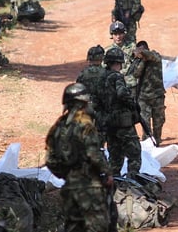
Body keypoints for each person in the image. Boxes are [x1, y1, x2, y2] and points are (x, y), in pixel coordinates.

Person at [45, 83, 113, 232]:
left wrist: (67, 174)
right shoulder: (85, 124)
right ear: (83, 102)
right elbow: (94, 154)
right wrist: (107, 173)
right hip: (90, 187)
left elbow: (50, 160)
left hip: (69, 188)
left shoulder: (58, 126)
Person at [102, 46, 141, 179]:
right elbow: (122, 93)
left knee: (114, 154)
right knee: (134, 152)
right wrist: (132, 104)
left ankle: (114, 182)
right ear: (118, 63)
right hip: (122, 122)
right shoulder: (116, 77)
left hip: (108, 122)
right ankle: (132, 180)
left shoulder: (101, 78)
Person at [133, 40, 166, 145]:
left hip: (157, 95)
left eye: (143, 50)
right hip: (143, 97)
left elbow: (151, 55)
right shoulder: (137, 62)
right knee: (145, 123)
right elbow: (136, 74)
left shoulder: (155, 55)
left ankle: (157, 141)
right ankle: (149, 144)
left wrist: (141, 53)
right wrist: (142, 61)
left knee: (159, 121)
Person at [76, 45, 106, 134]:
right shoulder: (106, 73)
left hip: (87, 106)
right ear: (102, 58)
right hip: (101, 108)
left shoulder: (83, 74)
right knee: (100, 133)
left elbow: (78, 90)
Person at [105, 21, 139, 98]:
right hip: (114, 86)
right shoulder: (107, 51)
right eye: (115, 34)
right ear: (112, 35)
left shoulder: (132, 47)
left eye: (120, 33)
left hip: (130, 85)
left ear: (124, 34)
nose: (118, 36)